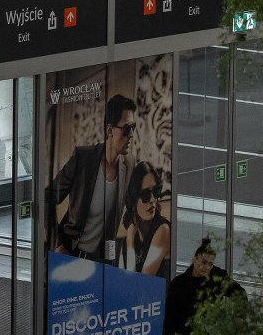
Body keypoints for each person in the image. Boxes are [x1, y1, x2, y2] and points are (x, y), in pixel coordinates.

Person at [46, 94, 136, 262]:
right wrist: (57, 243)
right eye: (126, 129)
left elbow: (131, 205)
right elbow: (47, 198)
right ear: (109, 130)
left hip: (100, 260)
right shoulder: (83, 158)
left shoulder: (129, 163)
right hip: (69, 253)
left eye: (133, 127)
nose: (131, 135)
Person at [164, 238, 246, 335]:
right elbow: (169, 319)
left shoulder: (218, 278)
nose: (206, 267)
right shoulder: (178, 284)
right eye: (203, 262)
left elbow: (240, 293)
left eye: (210, 264)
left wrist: (239, 317)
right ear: (194, 259)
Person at [116, 161, 171, 279]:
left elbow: (140, 285)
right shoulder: (132, 236)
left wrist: (130, 239)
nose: (153, 200)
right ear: (133, 199)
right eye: (146, 194)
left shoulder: (163, 229)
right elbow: (121, 281)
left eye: (156, 191)